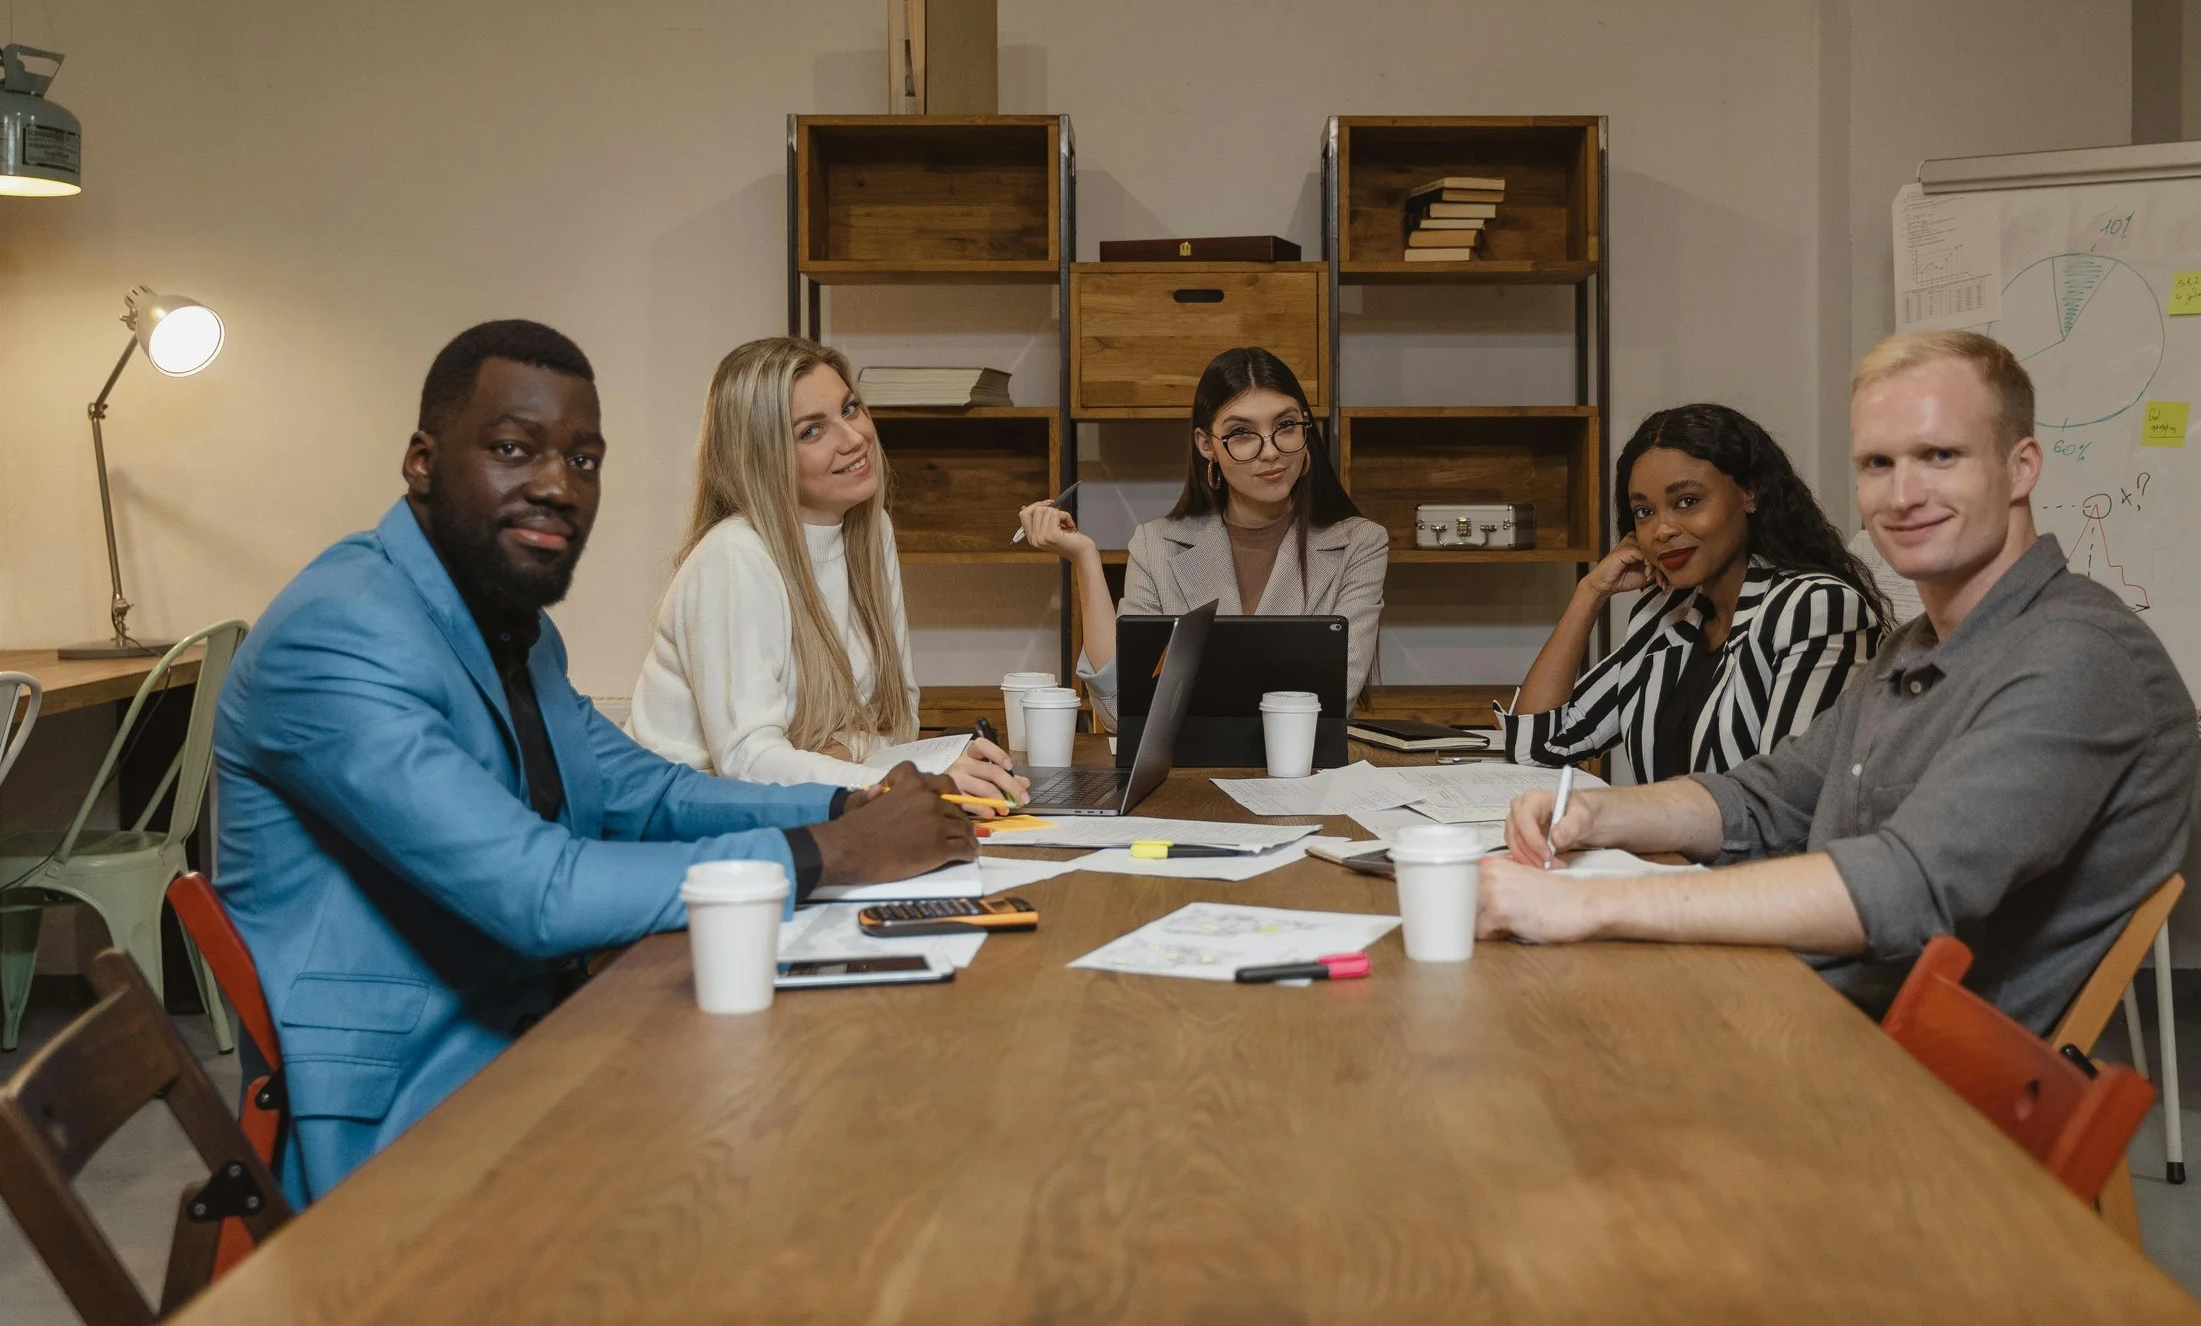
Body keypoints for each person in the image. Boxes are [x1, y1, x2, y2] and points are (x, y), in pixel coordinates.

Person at [215, 322, 974, 1203]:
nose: (556, 486)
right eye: (513, 449)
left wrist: (848, 809)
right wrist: (829, 854)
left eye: (583, 460)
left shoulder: (509, 623)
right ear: (422, 461)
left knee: (876, 1113)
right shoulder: (340, 631)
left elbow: (643, 791)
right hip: (410, 1111)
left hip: (551, 1033)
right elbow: (536, 890)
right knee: (818, 1164)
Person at [1479, 330, 2197, 1032]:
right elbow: (1766, 795)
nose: (1904, 493)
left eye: (1940, 455)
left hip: (1894, 1078)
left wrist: (1590, 906)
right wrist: (1598, 817)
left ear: (2022, 467)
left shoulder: (2075, 656)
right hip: (1803, 1006)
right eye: (1878, 463)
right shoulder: (1919, 647)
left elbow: (1905, 887)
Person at [629, 337, 1022, 800]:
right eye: (811, 431)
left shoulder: (872, 531)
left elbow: (899, 718)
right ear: (762, 457)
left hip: (799, 811)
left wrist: (846, 751)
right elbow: (749, 763)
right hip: (685, 828)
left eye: (850, 409)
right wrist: (906, 779)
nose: (855, 438)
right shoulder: (734, 556)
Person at [1506, 404, 1884, 782]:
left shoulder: (1815, 608)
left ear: (1750, 493)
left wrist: (1624, 816)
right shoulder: (1667, 614)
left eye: (1687, 501)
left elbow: (1784, 801)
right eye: (1644, 512)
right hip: (1661, 840)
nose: (1662, 530)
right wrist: (1590, 592)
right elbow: (1537, 746)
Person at [1016, 346, 1389, 715]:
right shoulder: (1156, 545)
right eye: (1241, 432)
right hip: (1189, 774)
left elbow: (1332, 699)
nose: (1270, 451)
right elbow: (1120, 711)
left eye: (1285, 426)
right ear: (1206, 445)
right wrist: (1085, 558)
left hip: (1304, 773)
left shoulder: (1360, 543)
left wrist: (1186, 700)